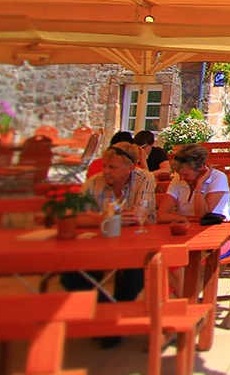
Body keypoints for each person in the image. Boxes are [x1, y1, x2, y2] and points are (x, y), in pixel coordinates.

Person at [61, 142, 157, 346]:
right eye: (105, 166)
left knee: (135, 277)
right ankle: (109, 318)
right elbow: (74, 216)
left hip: (134, 246)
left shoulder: (144, 179)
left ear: (131, 167)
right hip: (97, 245)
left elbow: (140, 214)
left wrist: (97, 217)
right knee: (70, 275)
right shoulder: (94, 183)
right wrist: (104, 218)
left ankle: (110, 324)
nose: (105, 171)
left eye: (112, 167)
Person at [157, 144, 230, 295]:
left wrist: (200, 185)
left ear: (201, 169)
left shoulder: (218, 178)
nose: (182, 178)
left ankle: (188, 303)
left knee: (182, 265)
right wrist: (190, 219)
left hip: (219, 236)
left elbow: (202, 214)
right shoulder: (178, 180)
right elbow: (162, 215)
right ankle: (186, 304)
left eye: (186, 174)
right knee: (165, 261)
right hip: (186, 234)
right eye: (180, 174)